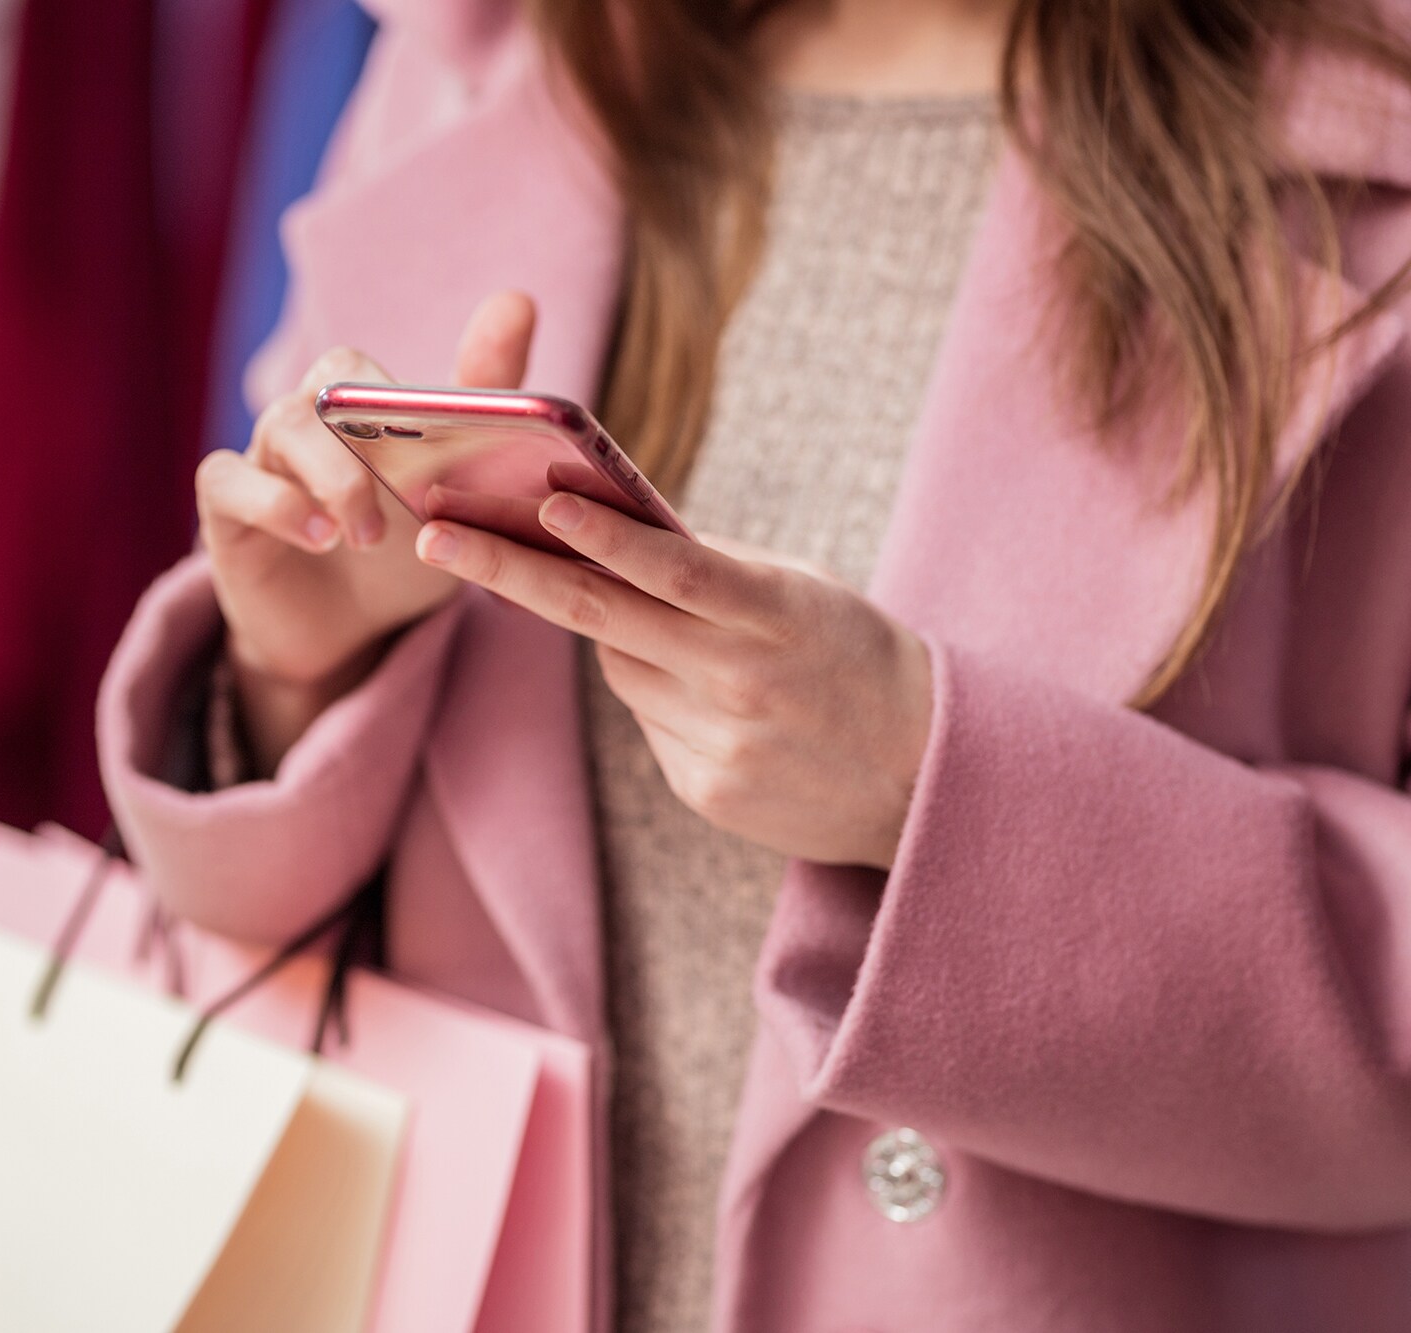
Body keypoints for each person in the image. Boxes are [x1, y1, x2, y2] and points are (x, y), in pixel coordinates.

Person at [98, 0, 1411, 1328]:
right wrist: (298, 660)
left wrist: (931, 788)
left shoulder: (1363, 135)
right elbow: (272, 912)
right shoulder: (472, 69)